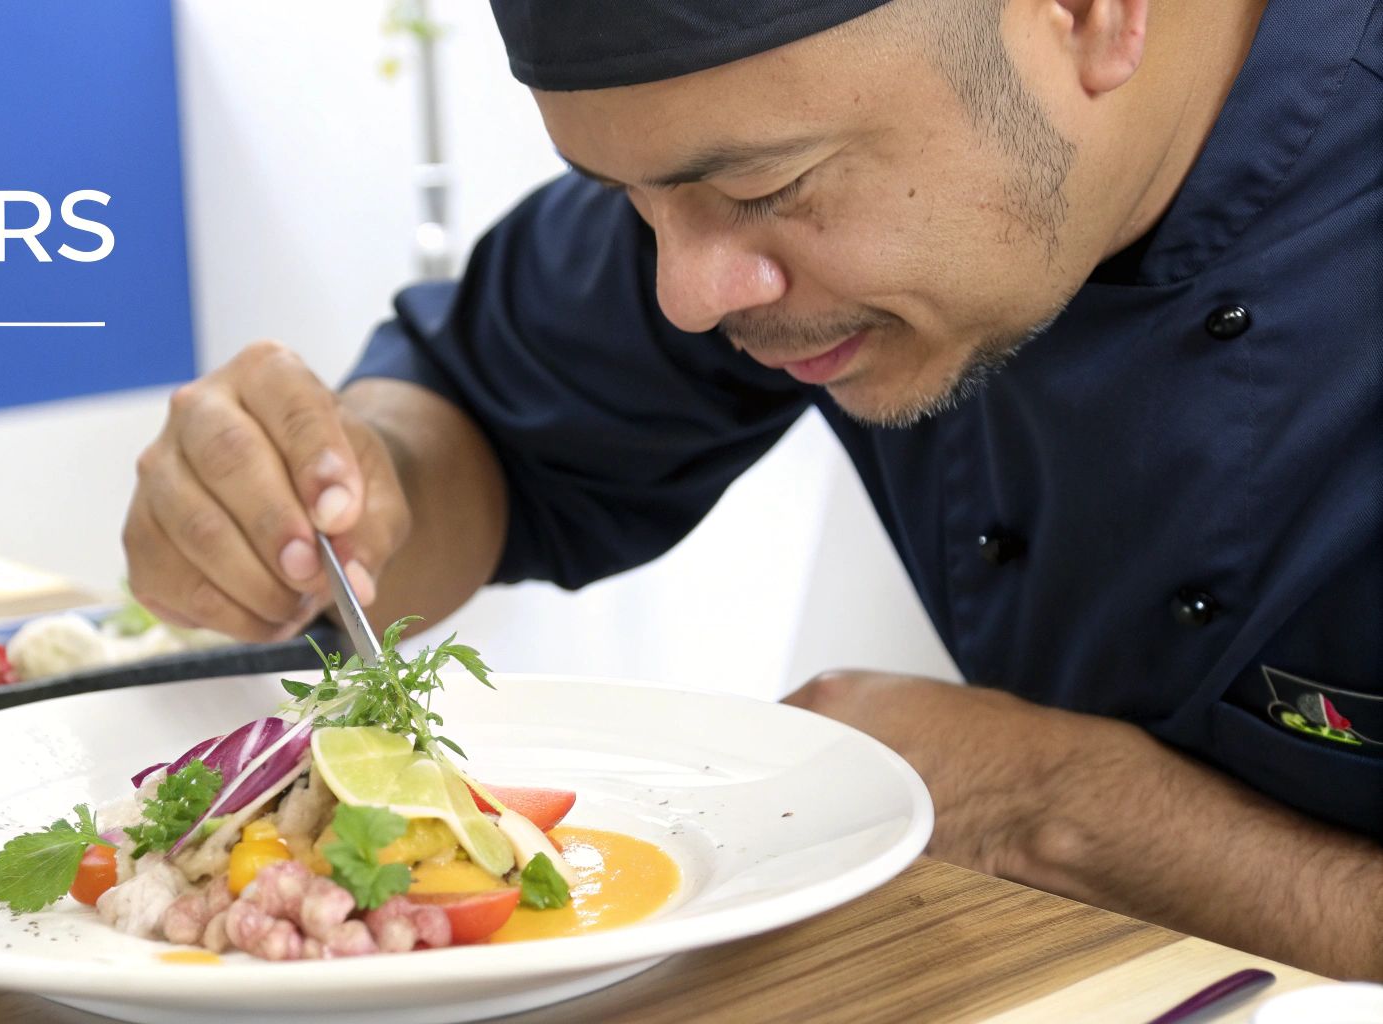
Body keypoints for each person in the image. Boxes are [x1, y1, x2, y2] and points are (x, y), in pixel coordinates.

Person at [125, 0, 1383, 978]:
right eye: (632, 201)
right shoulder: (747, 165)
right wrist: (335, 478)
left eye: (759, 191)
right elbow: (474, 421)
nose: (683, 295)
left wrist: (1079, 813)